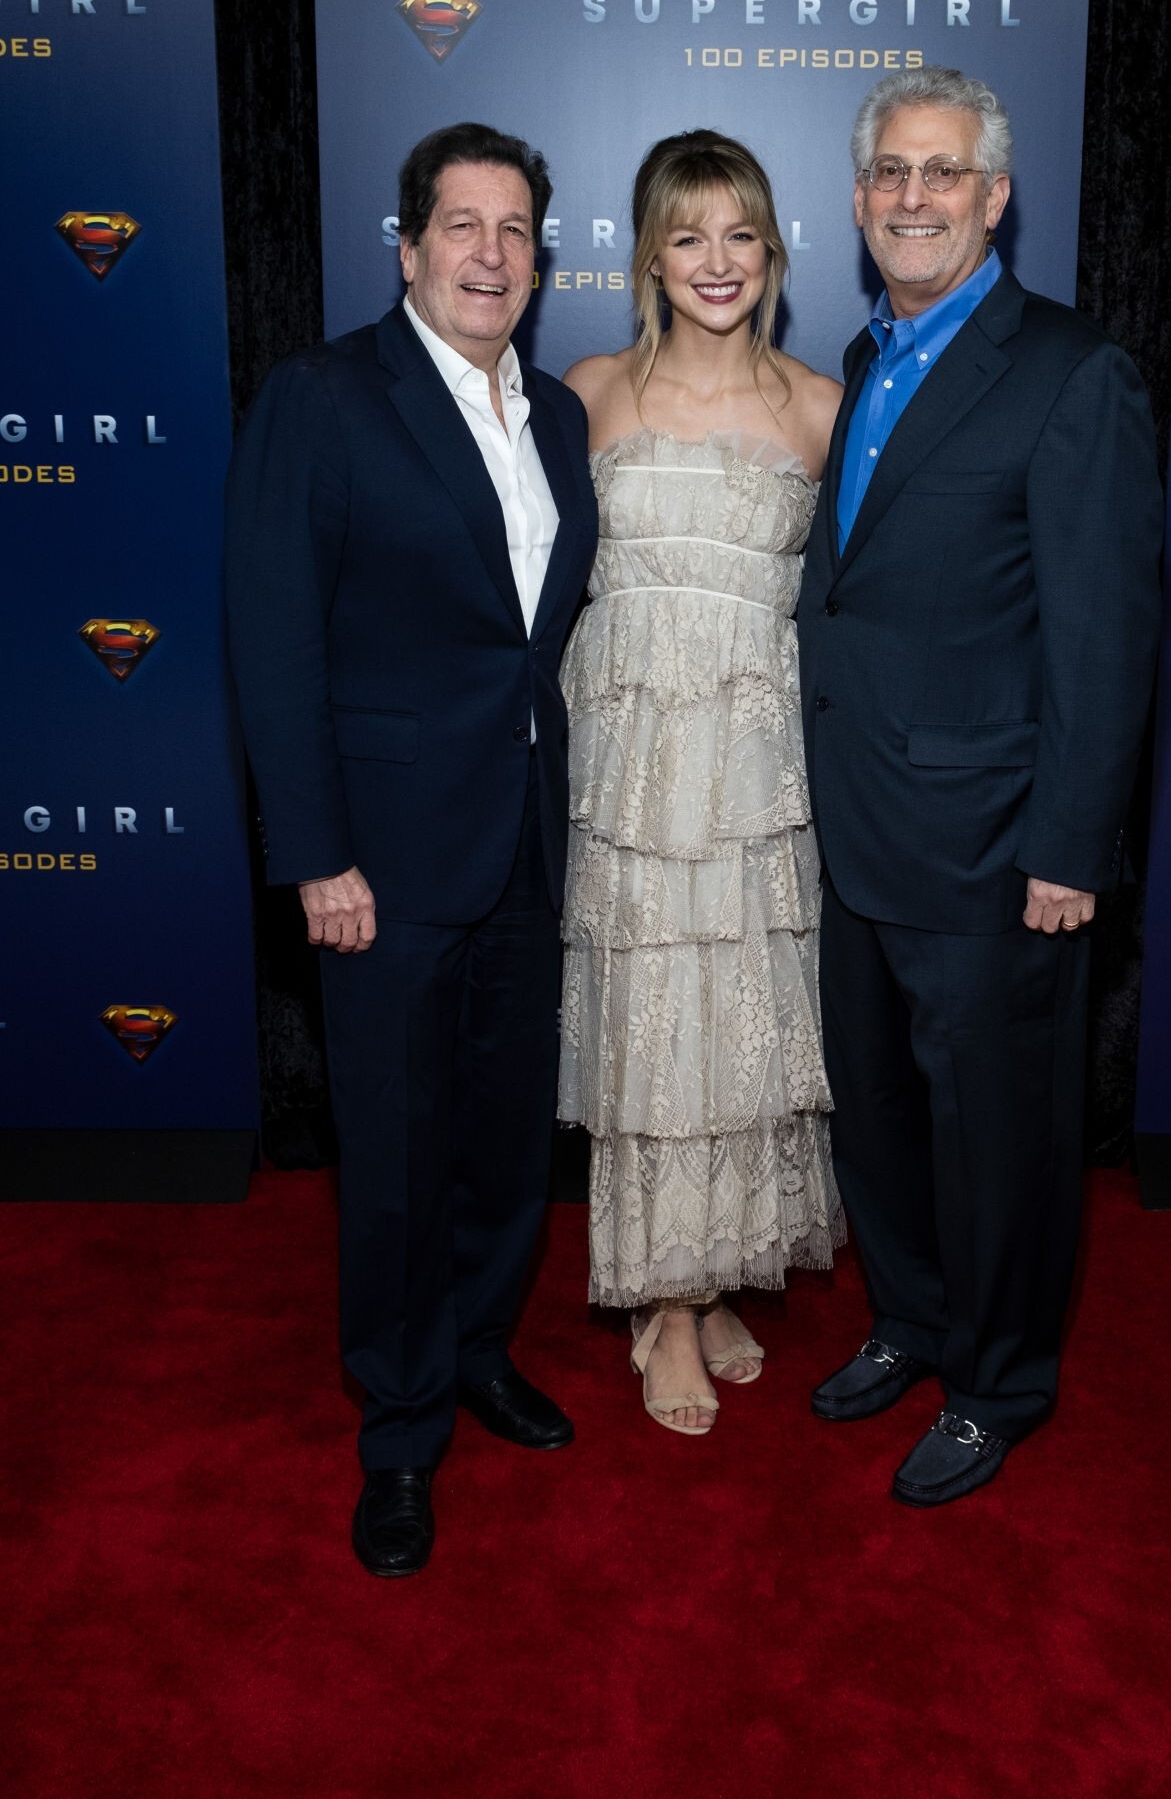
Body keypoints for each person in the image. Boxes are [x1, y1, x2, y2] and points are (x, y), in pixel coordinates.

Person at [224, 122, 599, 1573]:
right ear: (408, 249)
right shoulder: (324, 397)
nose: (489, 254)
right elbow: (275, 642)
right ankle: (397, 1429)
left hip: (524, 842)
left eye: (514, 231)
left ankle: (480, 1351)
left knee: (505, 1139)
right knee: (390, 1154)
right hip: (379, 860)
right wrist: (318, 856)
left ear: (538, 261)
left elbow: (530, 645)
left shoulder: (554, 416)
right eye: (462, 226)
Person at [797, 67, 1163, 1505]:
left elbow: (1103, 634)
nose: (913, 197)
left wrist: (1070, 846)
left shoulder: (1072, 371)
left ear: (995, 197)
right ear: (857, 197)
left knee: (999, 1137)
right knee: (880, 1112)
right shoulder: (868, 355)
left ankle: (998, 1381)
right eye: (890, 171)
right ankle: (912, 1319)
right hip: (857, 823)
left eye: (941, 172)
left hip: (996, 842)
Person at [558, 130, 845, 1434]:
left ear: (772, 251)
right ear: (650, 256)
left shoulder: (819, 409)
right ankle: (664, 1311)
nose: (715, 262)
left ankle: (714, 1272)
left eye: (739, 235)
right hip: (627, 776)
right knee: (651, 1023)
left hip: (755, 776)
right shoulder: (590, 394)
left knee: (739, 1026)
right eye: (687, 236)